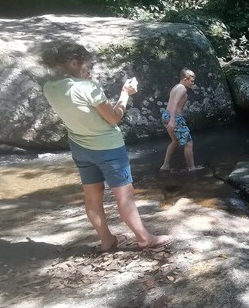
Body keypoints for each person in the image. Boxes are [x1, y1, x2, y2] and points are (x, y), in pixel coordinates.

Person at [41, 42, 173, 252]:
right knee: (124, 195)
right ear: (74, 63)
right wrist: (125, 94)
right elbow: (113, 118)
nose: (89, 70)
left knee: (92, 197)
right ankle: (144, 238)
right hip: (108, 148)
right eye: (87, 66)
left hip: (80, 148)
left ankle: (106, 240)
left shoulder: (49, 88)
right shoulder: (87, 87)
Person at [160, 68, 196, 171]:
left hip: (166, 115)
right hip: (174, 117)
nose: (192, 83)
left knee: (175, 141)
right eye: (191, 81)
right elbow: (175, 103)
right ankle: (192, 168)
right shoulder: (182, 89)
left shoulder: (176, 87)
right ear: (185, 79)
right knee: (189, 143)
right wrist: (172, 120)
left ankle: (165, 166)